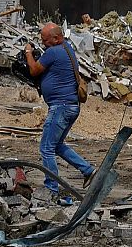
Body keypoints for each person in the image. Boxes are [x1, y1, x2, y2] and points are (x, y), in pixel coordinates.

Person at [24, 23, 93, 202]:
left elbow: (33, 70)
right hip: (71, 106)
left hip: (61, 107)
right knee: (57, 145)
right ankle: (87, 170)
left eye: (46, 41)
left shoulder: (54, 52)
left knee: (46, 148)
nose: (44, 44)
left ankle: (51, 189)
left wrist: (28, 53)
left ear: (56, 38)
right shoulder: (67, 49)